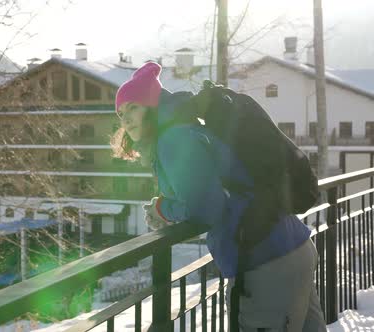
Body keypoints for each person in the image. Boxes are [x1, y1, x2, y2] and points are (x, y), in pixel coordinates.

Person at [111, 61, 326, 332]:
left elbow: (206, 207)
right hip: (292, 249)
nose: (126, 118)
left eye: (133, 107)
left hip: (263, 263)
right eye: (120, 113)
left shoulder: (173, 139)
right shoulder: (187, 129)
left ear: (152, 107)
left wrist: (164, 209)